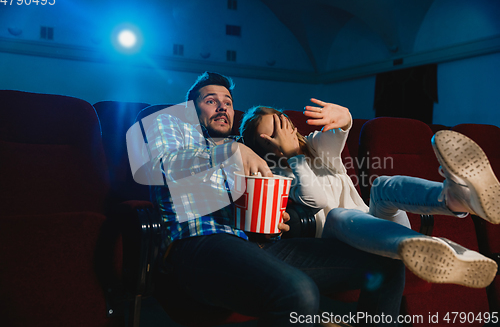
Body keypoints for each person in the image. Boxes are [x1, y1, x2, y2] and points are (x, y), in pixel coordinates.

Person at [143, 72, 406, 327]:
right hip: (198, 244)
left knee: (387, 263)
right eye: (211, 101)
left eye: (228, 102)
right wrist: (230, 150)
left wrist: (272, 223)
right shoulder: (173, 129)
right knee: (299, 292)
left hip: (256, 247)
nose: (222, 107)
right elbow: (167, 165)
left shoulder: (249, 147)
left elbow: (287, 187)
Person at [239, 103, 499, 289]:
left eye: (281, 125)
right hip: (337, 244)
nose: (281, 135)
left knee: (382, 186)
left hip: (375, 230)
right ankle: (433, 250)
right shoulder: (274, 174)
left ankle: (456, 197)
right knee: (338, 215)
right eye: (270, 136)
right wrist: (293, 156)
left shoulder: (316, 146)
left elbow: (336, 135)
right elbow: (315, 199)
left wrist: (345, 118)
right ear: (261, 147)